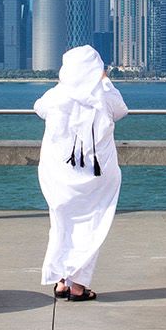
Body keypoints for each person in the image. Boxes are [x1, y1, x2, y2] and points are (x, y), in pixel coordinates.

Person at [34, 45, 128, 302]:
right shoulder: (105, 95)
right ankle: (78, 286)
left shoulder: (56, 95)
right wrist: (106, 82)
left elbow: (39, 108)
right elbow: (121, 111)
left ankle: (62, 282)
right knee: (90, 226)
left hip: (60, 174)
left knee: (61, 224)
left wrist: (61, 84)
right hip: (96, 175)